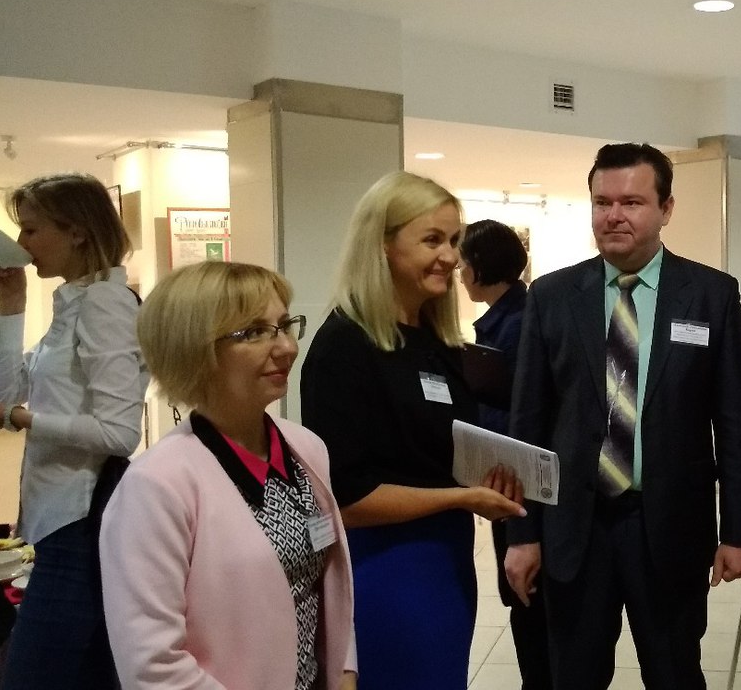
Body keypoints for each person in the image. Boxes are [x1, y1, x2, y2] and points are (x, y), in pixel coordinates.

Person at [503, 142, 741, 689]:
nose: (614, 216)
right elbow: (527, 422)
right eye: (602, 202)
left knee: (674, 674)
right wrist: (521, 534)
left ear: (666, 209)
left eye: (632, 202)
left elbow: (736, 422)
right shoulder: (552, 296)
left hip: (669, 527)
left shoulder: (710, 295)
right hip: (575, 528)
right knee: (573, 675)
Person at [300, 171, 524, 690]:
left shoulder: (436, 341)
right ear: (382, 244)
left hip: (445, 561)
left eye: (453, 240)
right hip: (386, 570)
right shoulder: (345, 347)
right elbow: (348, 498)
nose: (450, 256)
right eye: (432, 240)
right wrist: (460, 497)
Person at [98, 261, 356, 689]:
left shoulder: (306, 449)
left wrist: (344, 672)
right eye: (254, 332)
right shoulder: (157, 485)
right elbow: (153, 666)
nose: (286, 347)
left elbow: (329, 593)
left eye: (284, 325)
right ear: (193, 350)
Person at [0, 173, 147, 689]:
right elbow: (6, 392)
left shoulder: (105, 303)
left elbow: (119, 432)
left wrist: (22, 419)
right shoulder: (74, 303)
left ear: (77, 231)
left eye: (32, 229)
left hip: (77, 525)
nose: (23, 244)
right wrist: (12, 308)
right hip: (53, 524)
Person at [457, 219, 551, 690]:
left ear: (479, 266)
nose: (457, 274)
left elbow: (518, 416)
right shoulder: (508, 316)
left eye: (461, 264)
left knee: (530, 604)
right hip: (509, 481)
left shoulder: (517, 325)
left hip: (519, 484)